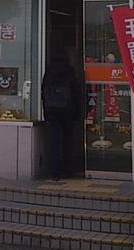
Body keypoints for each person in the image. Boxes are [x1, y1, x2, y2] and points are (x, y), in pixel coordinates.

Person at [41, 52, 81, 180]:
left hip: (52, 111)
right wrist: (77, 114)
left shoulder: (48, 72)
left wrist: (45, 113)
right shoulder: (69, 71)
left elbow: (43, 92)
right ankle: (68, 170)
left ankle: (55, 172)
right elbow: (76, 92)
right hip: (67, 111)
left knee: (54, 142)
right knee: (68, 141)